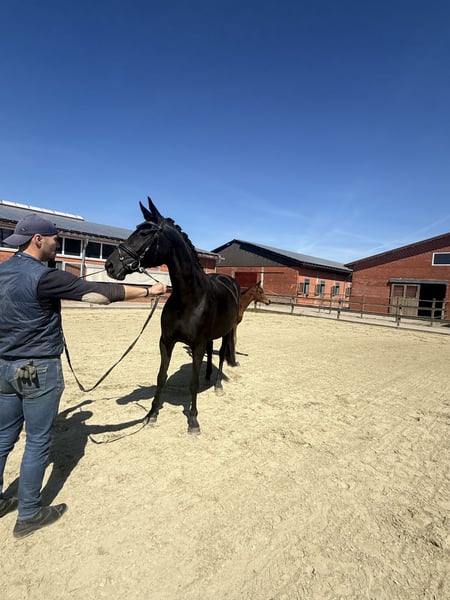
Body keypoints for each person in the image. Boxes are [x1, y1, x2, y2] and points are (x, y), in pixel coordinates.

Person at [0, 214, 166, 539]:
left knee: (3, 438)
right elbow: (97, 293)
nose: (57, 244)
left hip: (3, 367)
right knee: (37, 441)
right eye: (54, 239)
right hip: (35, 369)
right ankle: (29, 514)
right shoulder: (44, 277)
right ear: (38, 240)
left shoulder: (3, 271)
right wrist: (149, 290)